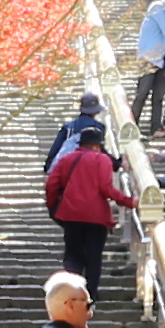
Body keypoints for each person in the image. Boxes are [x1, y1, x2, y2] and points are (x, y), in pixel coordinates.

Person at [43, 116, 120, 295]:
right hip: (97, 217)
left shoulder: (66, 160)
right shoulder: (103, 160)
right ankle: (90, 295)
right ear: (98, 145)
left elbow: (51, 185)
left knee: (72, 255)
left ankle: (71, 291)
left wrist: (53, 207)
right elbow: (107, 189)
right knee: (94, 257)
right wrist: (128, 201)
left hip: (70, 214)